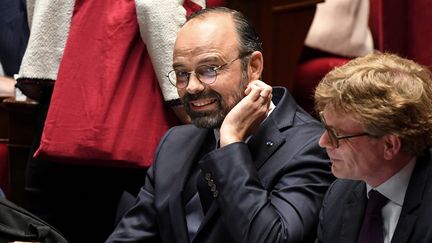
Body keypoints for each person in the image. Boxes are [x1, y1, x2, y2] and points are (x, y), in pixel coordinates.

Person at [107, 7, 334, 243]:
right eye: (181, 73)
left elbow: (273, 239)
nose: (192, 86)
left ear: (253, 66)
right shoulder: (175, 141)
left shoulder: (311, 146)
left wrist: (231, 144)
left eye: (209, 70)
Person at [15, 0, 221, 242]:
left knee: (54, 228)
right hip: (140, 120)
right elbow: (155, 9)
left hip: (65, 107)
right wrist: (184, 97)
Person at [314, 52, 432, 243]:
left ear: (389, 145)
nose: (323, 142)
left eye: (337, 134)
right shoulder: (339, 196)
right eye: (325, 127)